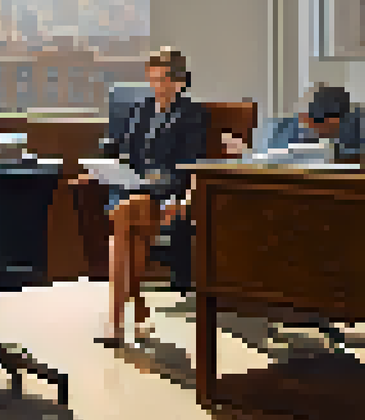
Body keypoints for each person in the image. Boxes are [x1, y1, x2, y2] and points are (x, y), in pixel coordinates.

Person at [76, 47, 208, 348]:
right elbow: (126, 151)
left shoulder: (192, 114)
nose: (156, 86)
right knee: (129, 232)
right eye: (152, 79)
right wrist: (103, 171)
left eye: (162, 80)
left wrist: (174, 194)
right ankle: (134, 308)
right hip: (131, 187)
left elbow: (189, 164)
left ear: (178, 81)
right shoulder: (141, 109)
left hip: (164, 192)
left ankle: (114, 320)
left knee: (122, 224)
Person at [224, 85, 362, 160]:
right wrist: (247, 152)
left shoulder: (355, 126)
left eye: (312, 122)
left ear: (333, 121)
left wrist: (248, 154)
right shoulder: (285, 127)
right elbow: (273, 157)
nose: (307, 123)